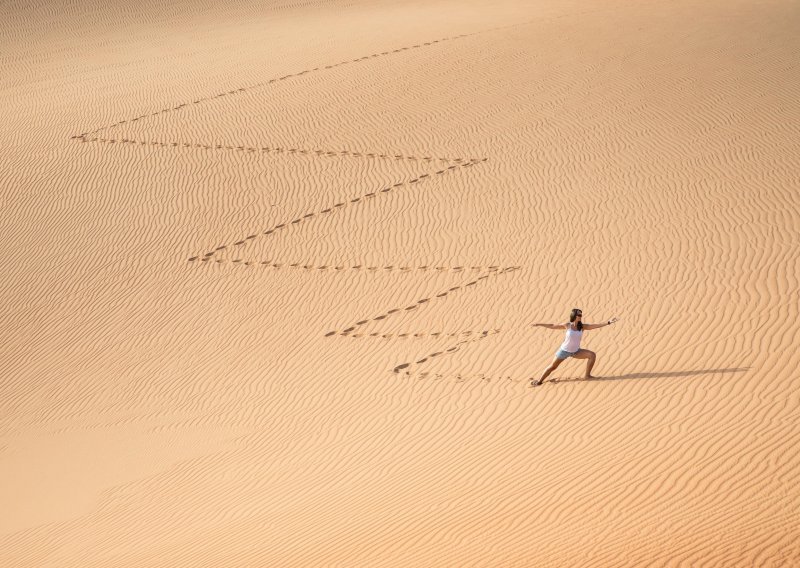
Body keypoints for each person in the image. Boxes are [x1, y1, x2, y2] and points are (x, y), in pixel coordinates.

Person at [530, 308, 619, 386]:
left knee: (592, 355)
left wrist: (608, 322)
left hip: (576, 352)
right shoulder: (568, 325)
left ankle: (587, 376)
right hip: (564, 351)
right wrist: (539, 324)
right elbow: (553, 326)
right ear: (574, 316)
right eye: (579, 315)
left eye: (581, 315)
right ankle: (539, 381)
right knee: (553, 367)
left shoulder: (582, 327)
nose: (580, 316)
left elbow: (594, 326)